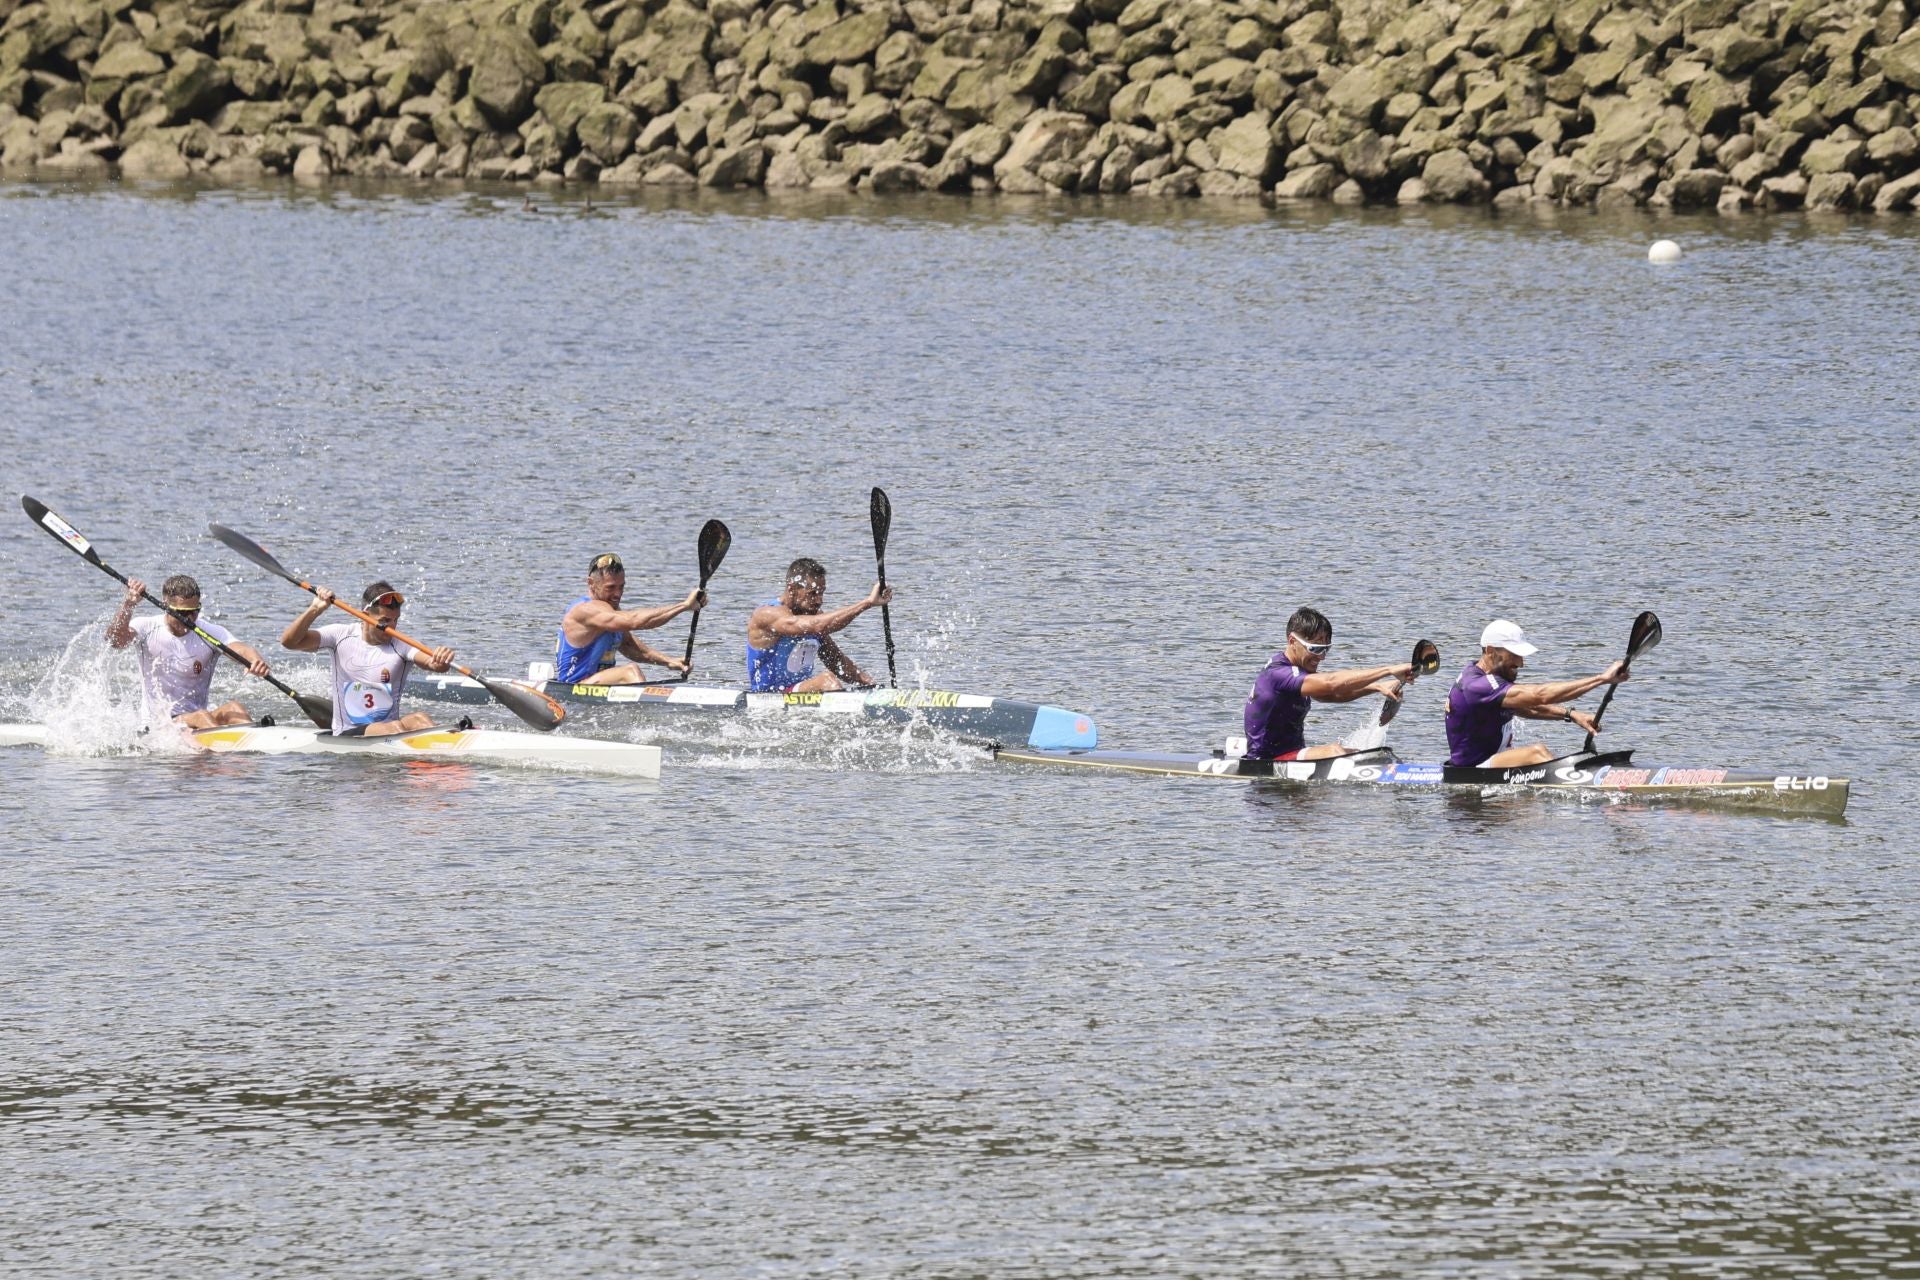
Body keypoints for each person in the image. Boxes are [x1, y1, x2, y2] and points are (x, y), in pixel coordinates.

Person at [280, 581, 454, 736]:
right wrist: (315, 609)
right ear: (365, 615)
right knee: (393, 727)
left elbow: (433, 664)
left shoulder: (402, 644)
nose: (392, 627)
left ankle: (445, 750)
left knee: (420, 719)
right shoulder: (340, 635)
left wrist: (441, 659)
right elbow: (290, 642)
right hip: (349, 733)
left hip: (390, 730)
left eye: (395, 620)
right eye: (385, 621)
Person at [1445, 619, 1626, 767]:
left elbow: (1527, 707)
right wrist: (1602, 679)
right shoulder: (1477, 686)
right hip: (1473, 768)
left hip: (1494, 761)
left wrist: (1571, 715)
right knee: (1536, 753)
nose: (1521, 663)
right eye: (1514, 654)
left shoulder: (1484, 678)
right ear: (1491, 651)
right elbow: (1540, 695)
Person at [1243, 606, 1417, 760]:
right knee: (1335, 751)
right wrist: (1388, 670)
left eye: (1325, 649)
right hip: (1266, 759)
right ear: (1292, 642)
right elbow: (1330, 683)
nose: (1321, 657)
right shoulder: (1279, 673)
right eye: (1315, 649)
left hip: (1290, 753)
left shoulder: (1297, 673)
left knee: (1362, 754)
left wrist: (1376, 686)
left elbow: (1331, 694)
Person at [106, 574, 271, 729]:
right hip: (159, 726)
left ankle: (254, 743)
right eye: (182, 613)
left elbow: (241, 648)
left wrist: (254, 661)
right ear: (165, 605)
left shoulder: (208, 631)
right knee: (201, 716)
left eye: (195, 611)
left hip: (198, 721)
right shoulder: (146, 627)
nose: (189, 618)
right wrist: (128, 604)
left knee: (235, 708)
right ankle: (221, 745)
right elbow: (115, 641)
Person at [555, 552, 706, 685]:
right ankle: (648, 707)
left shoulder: (611, 611)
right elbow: (634, 621)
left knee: (630, 671)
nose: (617, 594)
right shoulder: (586, 610)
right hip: (573, 688)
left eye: (621, 587)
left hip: (596, 686)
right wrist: (684, 605)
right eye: (610, 587)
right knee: (630, 671)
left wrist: (668, 661)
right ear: (591, 583)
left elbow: (629, 646)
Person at [746, 557, 892, 693]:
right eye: (813, 593)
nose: (819, 600)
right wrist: (867, 603)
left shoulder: (813, 616)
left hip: (798, 692)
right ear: (791, 589)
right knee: (827, 681)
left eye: (822, 593)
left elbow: (836, 661)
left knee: (833, 679)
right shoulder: (767, 614)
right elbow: (818, 625)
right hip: (768, 695)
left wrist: (874, 687)